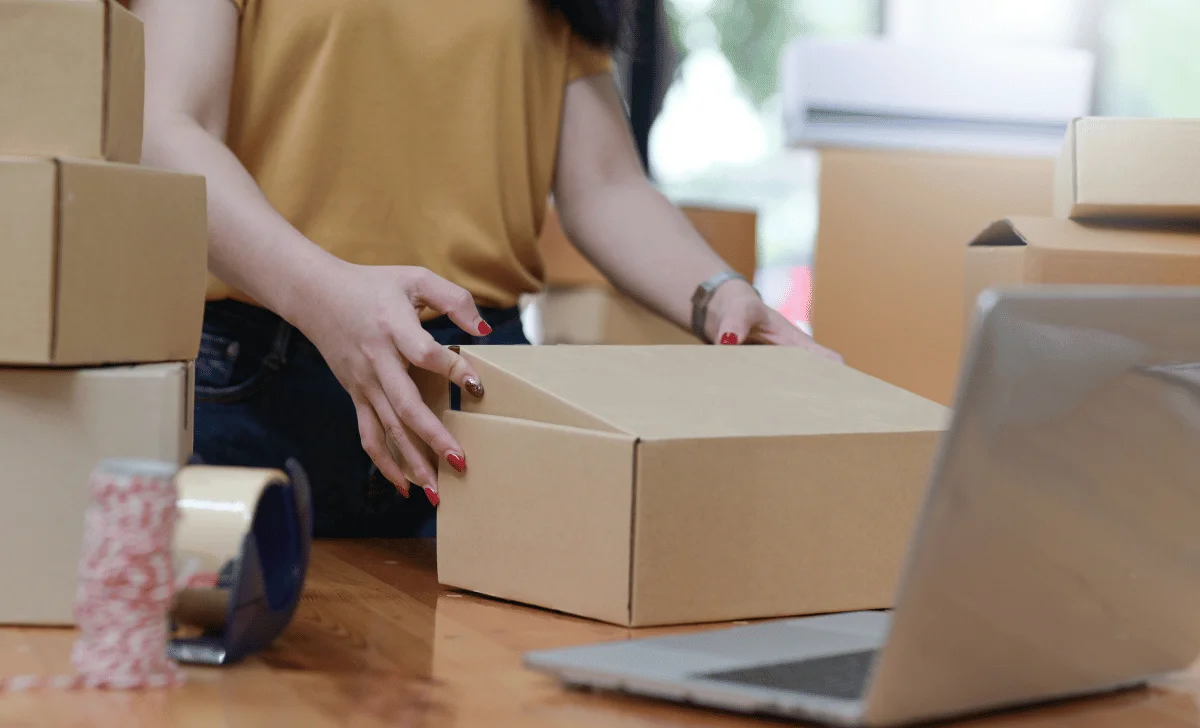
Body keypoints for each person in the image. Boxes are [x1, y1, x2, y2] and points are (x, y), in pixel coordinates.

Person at [130, 0, 842, 540]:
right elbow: (165, 129)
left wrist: (720, 297)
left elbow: (604, 185)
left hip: (481, 398)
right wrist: (320, 294)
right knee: (232, 723)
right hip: (261, 384)